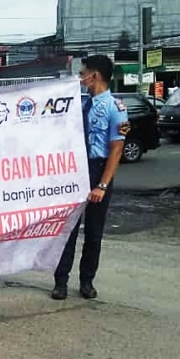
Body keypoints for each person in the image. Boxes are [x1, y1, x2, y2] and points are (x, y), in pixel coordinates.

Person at [51, 55, 128, 301]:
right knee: (69, 229)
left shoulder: (116, 108)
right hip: (77, 171)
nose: (80, 78)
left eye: (83, 74)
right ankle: (60, 282)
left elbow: (116, 150)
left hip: (99, 170)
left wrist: (102, 185)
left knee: (94, 232)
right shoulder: (80, 104)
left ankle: (87, 281)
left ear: (94, 75)